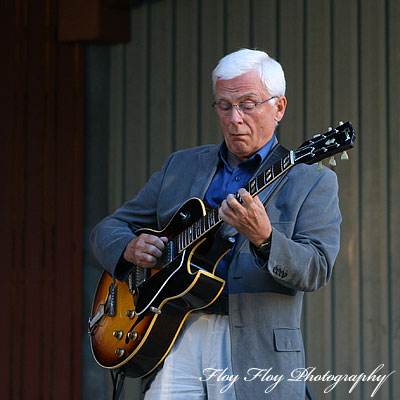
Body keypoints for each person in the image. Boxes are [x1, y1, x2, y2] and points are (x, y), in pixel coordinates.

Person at [90, 48, 341, 399]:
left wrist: (266, 238)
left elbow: (316, 269)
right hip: (173, 332)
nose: (235, 118)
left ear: (279, 107)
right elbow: (108, 228)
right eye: (224, 105)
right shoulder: (182, 165)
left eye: (248, 104)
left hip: (254, 345)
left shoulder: (312, 180)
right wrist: (129, 248)